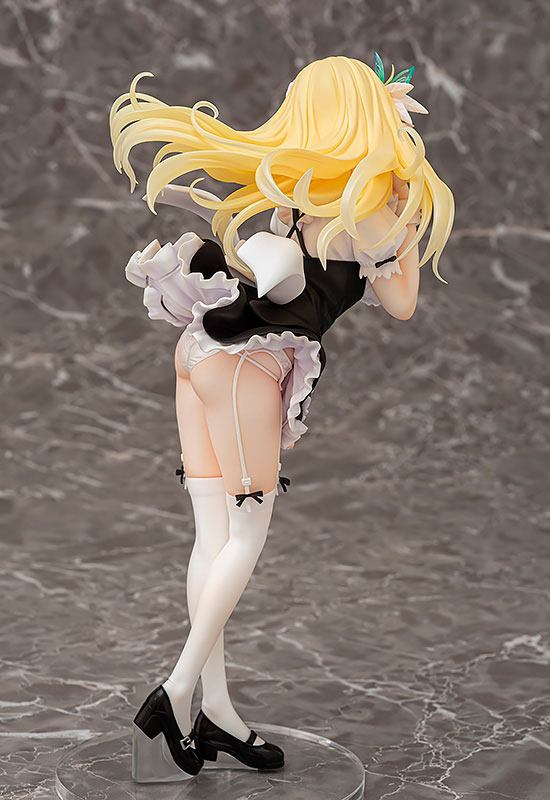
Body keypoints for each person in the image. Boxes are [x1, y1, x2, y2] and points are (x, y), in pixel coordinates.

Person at [110, 53, 454, 778]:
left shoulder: (291, 196)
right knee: (245, 533)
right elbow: (401, 303)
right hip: (246, 365)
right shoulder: (372, 211)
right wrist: (409, 217)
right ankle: (174, 695)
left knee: (213, 536)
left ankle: (216, 713)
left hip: (199, 349)